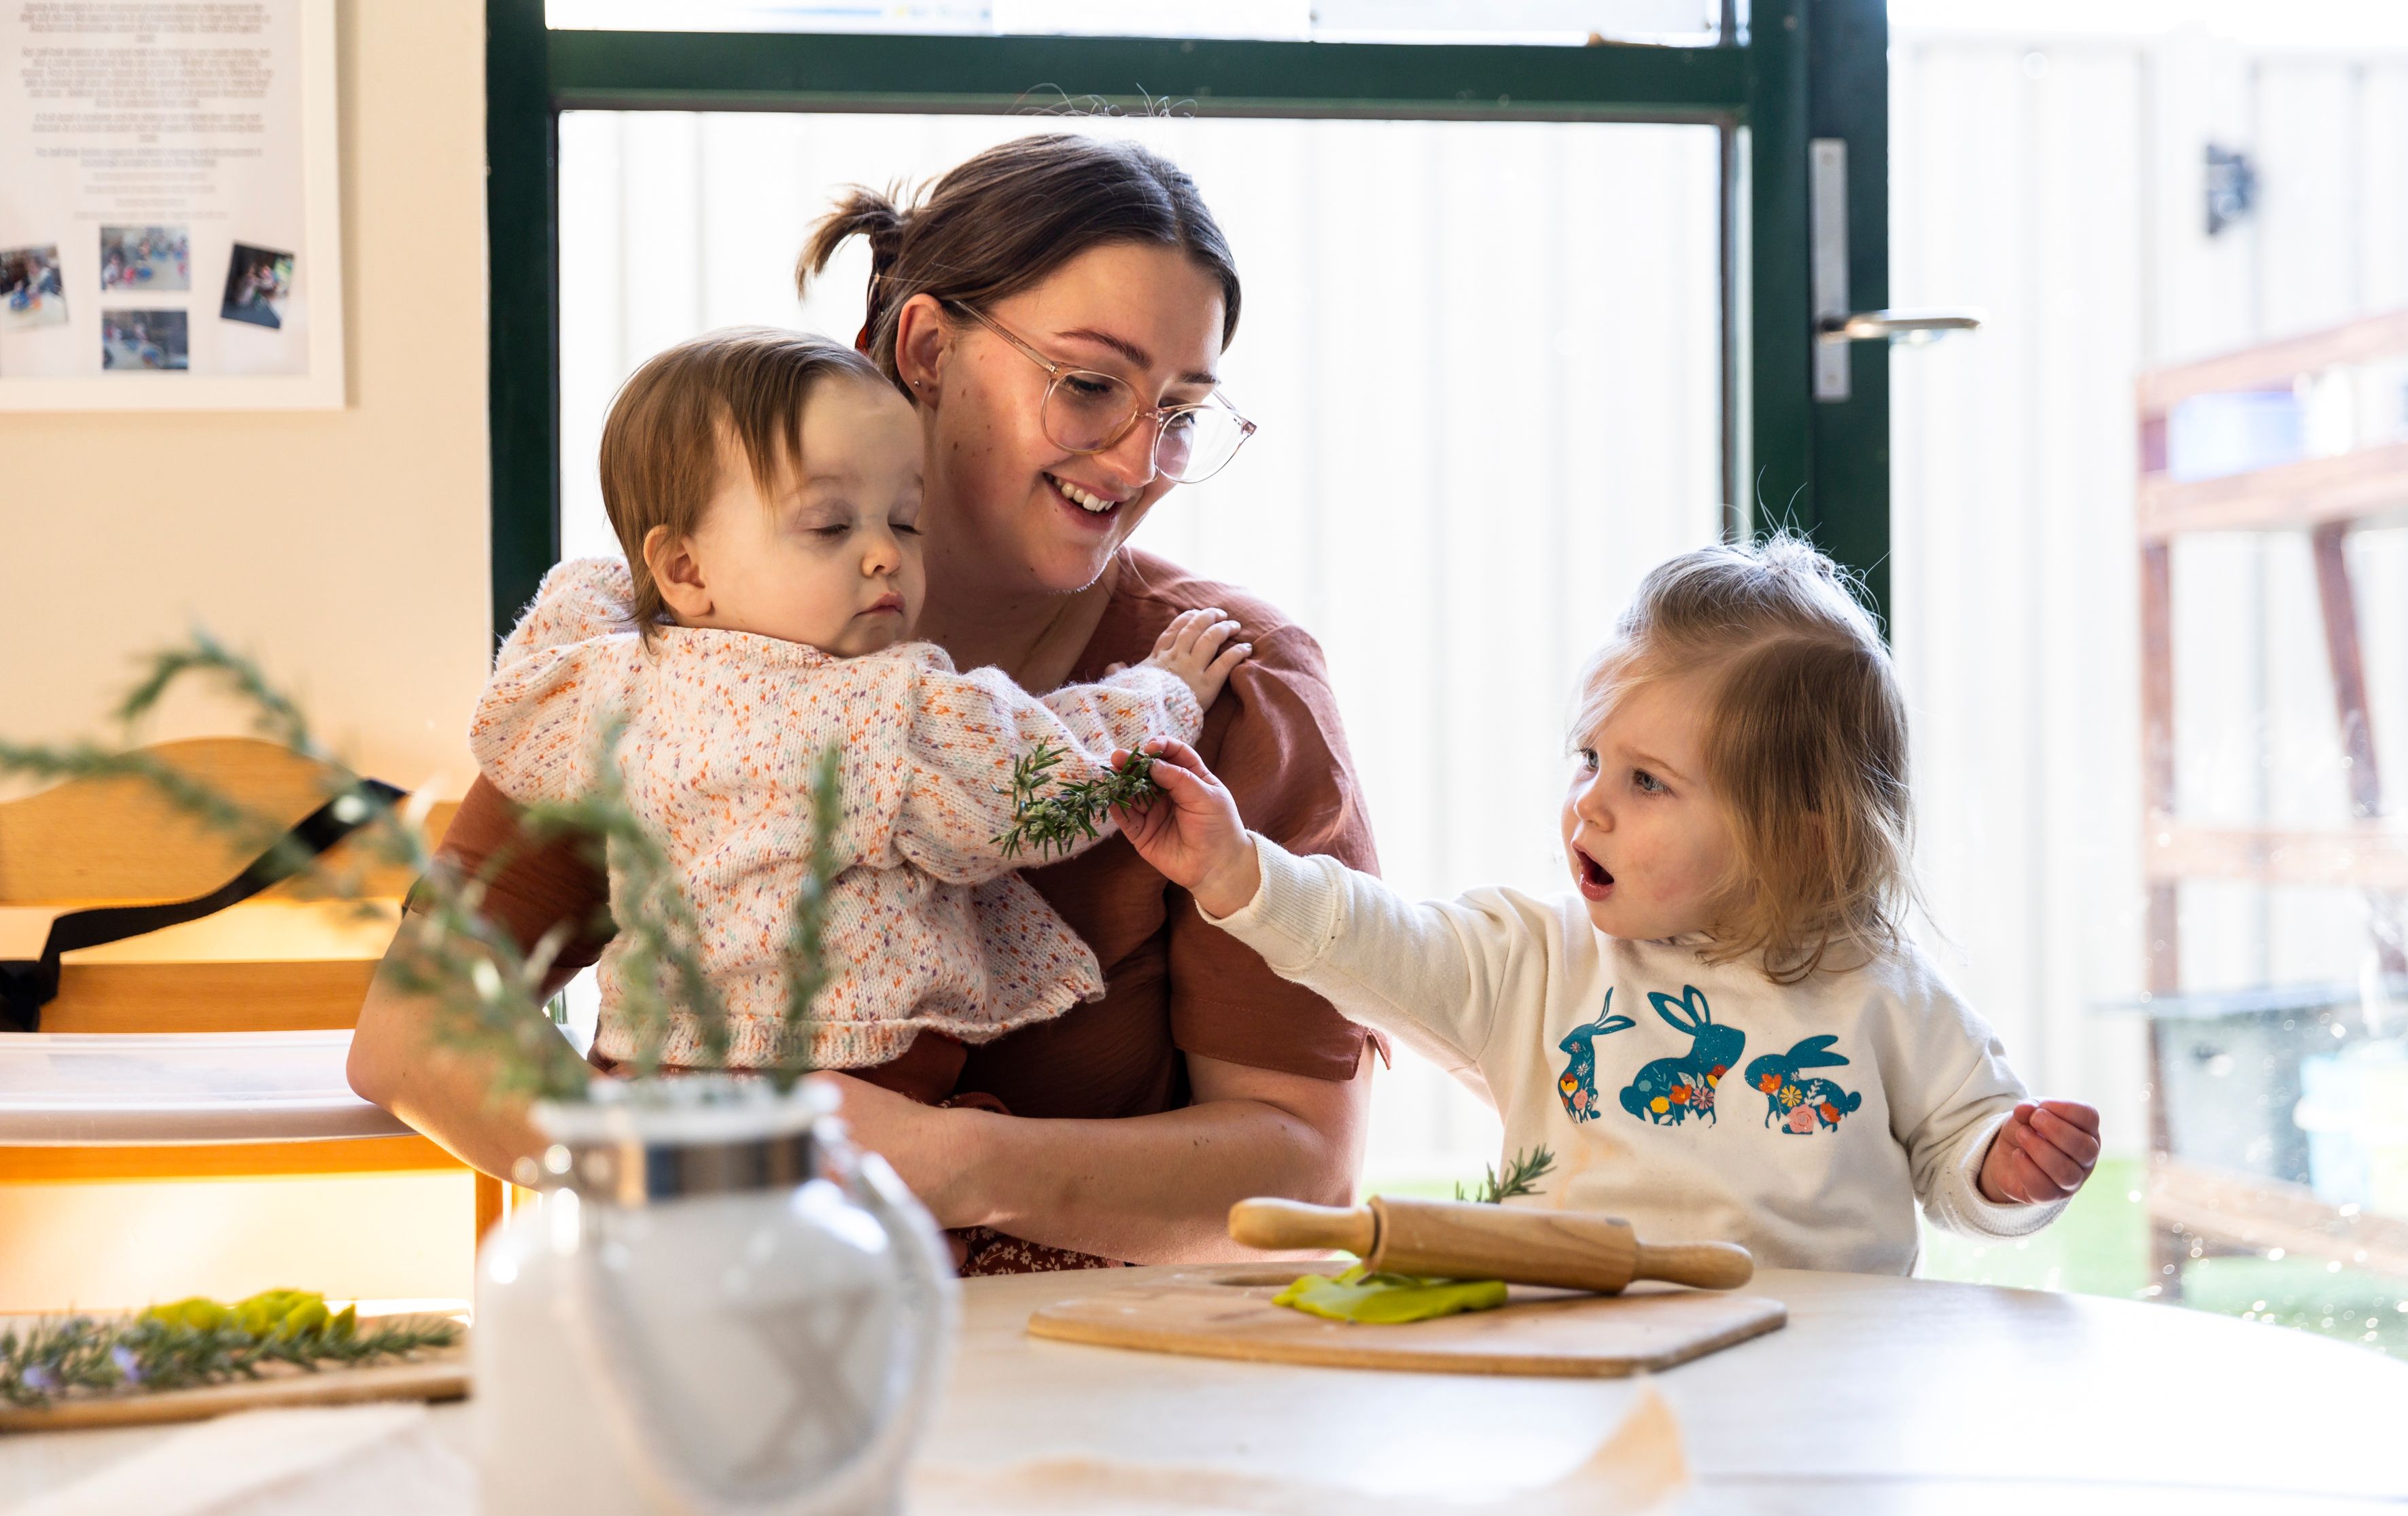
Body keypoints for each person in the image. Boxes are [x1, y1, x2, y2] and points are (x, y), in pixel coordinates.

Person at [349, 133, 1382, 1273]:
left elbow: (1305, 1166)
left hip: (1078, 1378)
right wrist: (670, 1180)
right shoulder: (689, 654)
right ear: (926, 346)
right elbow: (414, 1033)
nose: (1138, 459)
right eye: (1090, 385)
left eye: (1179, 411)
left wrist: (943, 1164)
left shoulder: (1229, 683)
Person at [1115, 535, 2103, 1275]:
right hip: (1576, 1356)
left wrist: (2000, 1170)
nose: (1588, 801)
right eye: (1591, 760)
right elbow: (1380, 942)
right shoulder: (1539, 955)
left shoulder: (1881, 989)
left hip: (1817, 1372)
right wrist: (1240, 872)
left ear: (1795, 832)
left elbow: (1958, 1148)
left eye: (1647, 782)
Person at [470, 327, 1244, 1081]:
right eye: (830, 525)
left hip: (649, 1061)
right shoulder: (877, 709)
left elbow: (513, 720)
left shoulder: (611, 681)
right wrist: (1161, 697)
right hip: (839, 1066)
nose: (885, 554)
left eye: (906, 522)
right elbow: (1023, 779)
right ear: (684, 566)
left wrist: (618, 592)